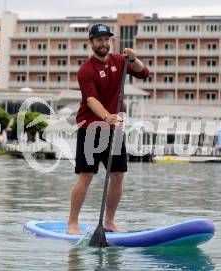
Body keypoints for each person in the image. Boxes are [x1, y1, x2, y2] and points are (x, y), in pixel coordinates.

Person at [67, 24, 149, 234]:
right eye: (99, 40)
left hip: (115, 129)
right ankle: (72, 224)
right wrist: (106, 116)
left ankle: (109, 222)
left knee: (118, 174)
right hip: (91, 127)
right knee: (86, 175)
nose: (103, 43)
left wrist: (133, 58)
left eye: (106, 39)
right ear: (91, 42)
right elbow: (91, 99)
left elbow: (144, 73)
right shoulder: (86, 70)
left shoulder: (119, 61)